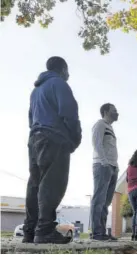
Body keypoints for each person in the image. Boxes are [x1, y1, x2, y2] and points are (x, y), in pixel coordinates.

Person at [24, 56, 82, 244]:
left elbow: (31, 118)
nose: (68, 75)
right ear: (62, 69)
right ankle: (45, 230)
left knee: (35, 184)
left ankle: (30, 231)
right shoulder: (59, 84)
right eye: (67, 71)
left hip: (34, 139)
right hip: (54, 138)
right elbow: (69, 113)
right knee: (52, 184)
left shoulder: (36, 90)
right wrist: (75, 137)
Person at [91, 103, 119, 241]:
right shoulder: (100, 124)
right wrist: (104, 162)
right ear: (106, 111)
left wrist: (115, 166)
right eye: (114, 110)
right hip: (102, 165)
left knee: (106, 202)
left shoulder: (111, 128)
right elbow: (96, 143)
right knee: (99, 199)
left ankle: (101, 231)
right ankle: (96, 233)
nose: (117, 113)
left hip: (113, 167)